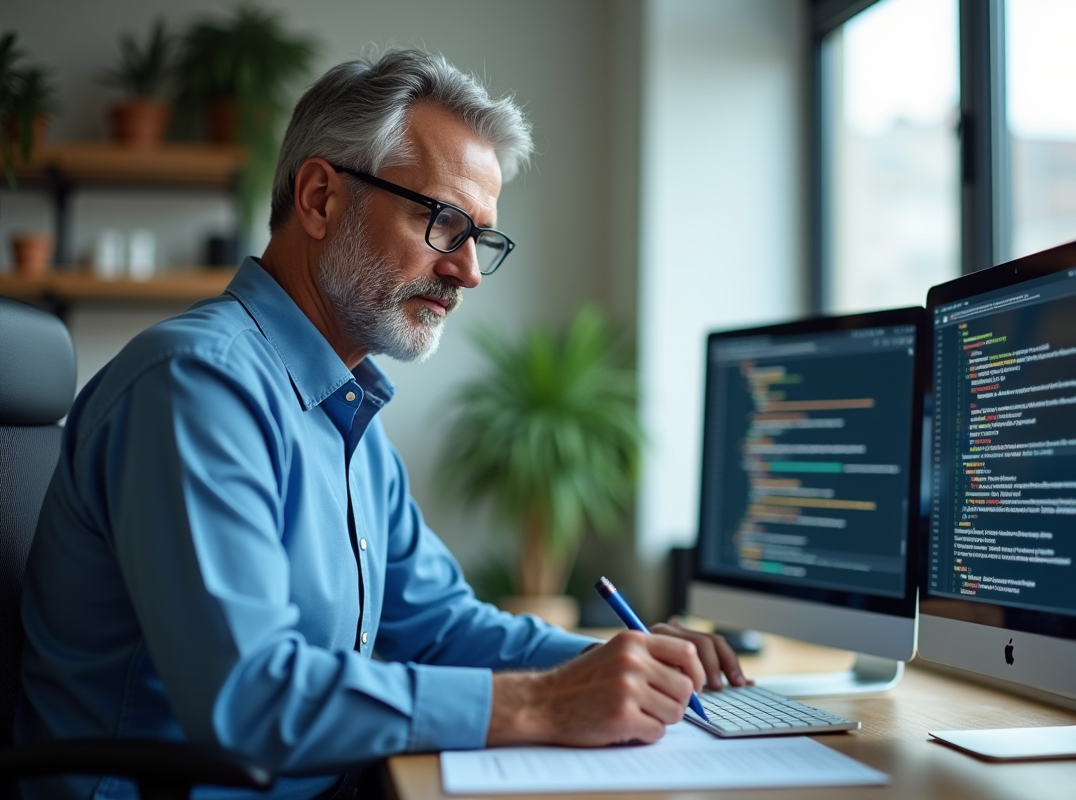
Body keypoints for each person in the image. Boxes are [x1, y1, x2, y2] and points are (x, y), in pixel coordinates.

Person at [16, 49, 746, 800]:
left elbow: (439, 627)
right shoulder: (196, 387)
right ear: (321, 198)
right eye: (442, 221)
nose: (467, 271)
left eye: (481, 239)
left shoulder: (347, 409)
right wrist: (544, 702)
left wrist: (624, 663)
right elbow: (250, 697)